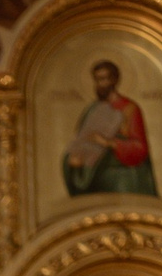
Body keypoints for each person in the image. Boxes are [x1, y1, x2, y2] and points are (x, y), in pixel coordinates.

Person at [62, 58, 157, 200]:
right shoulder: (92, 109)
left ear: (114, 80)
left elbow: (140, 148)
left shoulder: (130, 109)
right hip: (94, 170)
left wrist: (108, 142)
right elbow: (81, 139)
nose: (100, 84)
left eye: (104, 79)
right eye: (97, 80)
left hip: (120, 174)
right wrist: (76, 158)